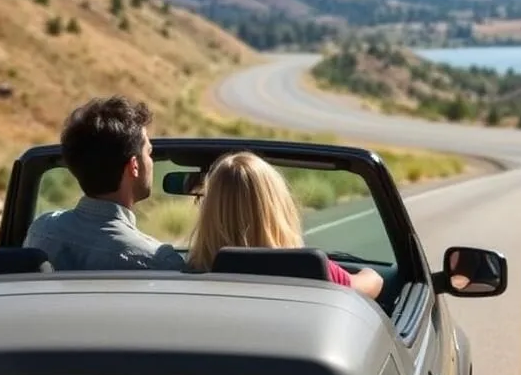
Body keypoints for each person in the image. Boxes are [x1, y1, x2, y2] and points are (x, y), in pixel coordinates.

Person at [186, 151, 384, 299]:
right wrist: (370, 273)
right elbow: (372, 283)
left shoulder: (187, 275)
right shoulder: (311, 269)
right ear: (278, 209)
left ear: (209, 214)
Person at [24, 96, 187, 271]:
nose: (151, 161)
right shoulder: (158, 261)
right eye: (149, 153)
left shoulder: (40, 230)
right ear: (134, 166)